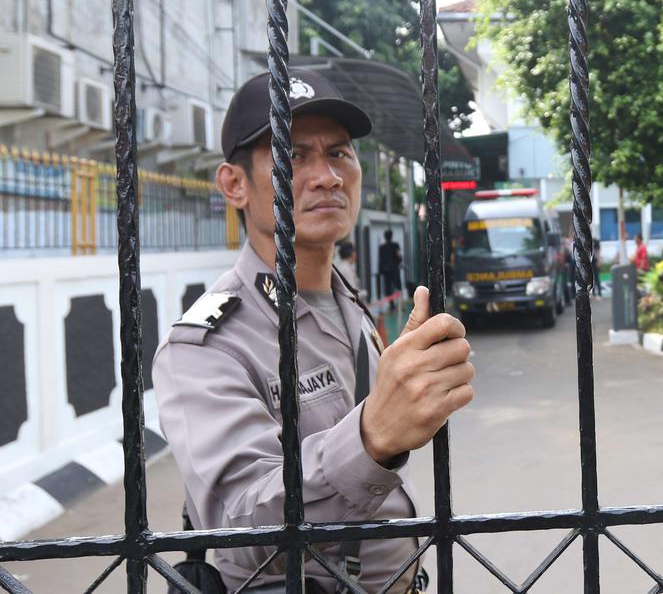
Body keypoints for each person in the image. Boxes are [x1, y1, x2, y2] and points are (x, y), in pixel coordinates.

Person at [152, 68, 474, 593]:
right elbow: (241, 521)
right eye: (293, 156)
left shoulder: (349, 302)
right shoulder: (207, 345)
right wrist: (371, 437)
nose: (326, 176)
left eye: (339, 153)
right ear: (235, 184)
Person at [378, 229, 403, 299]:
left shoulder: (382, 247)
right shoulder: (395, 245)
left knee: (388, 287)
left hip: (386, 270)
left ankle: (391, 304)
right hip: (394, 268)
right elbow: (398, 255)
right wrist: (400, 260)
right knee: (397, 285)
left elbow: (381, 259)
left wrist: (381, 270)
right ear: (391, 236)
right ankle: (399, 303)